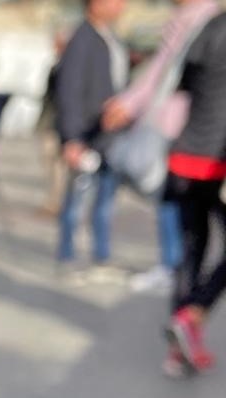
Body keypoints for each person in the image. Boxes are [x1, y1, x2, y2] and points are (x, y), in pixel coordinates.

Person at [101, 0, 221, 295]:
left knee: (185, 218)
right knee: (186, 219)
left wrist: (131, 103)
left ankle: (184, 292)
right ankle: (183, 291)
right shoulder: (195, 20)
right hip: (196, 138)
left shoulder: (201, 22)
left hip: (189, 135)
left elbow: (165, 73)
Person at [161, 11, 226, 377]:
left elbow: (183, 83)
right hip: (218, 160)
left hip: (186, 154)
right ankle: (192, 314)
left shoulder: (209, 27)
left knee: (191, 251)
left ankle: (178, 350)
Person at [54, 0, 129, 280]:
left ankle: (101, 257)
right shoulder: (82, 38)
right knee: (77, 200)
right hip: (86, 135)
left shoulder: (111, 37)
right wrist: (72, 137)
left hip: (109, 137)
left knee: (105, 202)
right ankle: (67, 257)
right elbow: (69, 90)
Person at [36, 32, 69, 217]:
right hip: (49, 121)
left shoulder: (69, 66)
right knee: (50, 163)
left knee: (58, 166)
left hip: (58, 123)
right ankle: (54, 200)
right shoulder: (57, 65)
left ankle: (57, 202)